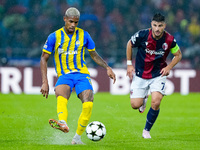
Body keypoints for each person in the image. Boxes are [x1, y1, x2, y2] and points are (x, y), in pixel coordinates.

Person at [40, 7, 116, 144]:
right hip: (64, 75)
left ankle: (77, 138)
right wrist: (44, 81)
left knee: (88, 104)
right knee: (60, 93)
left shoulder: (84, 35)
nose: (73, 25)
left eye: (76, 22)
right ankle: (62, 122)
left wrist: (107, 67)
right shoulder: (54, 36)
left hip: (82, 74)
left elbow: (94, 54)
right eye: (71, 22)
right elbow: (43, 58)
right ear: (65, 19)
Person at [126, 13, 182, 139]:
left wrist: (168, 67)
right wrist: (129, 64)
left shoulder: (169, 40)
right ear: (151, 24)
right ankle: (144, 98)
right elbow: (129, 44)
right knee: (135, 105)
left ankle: (146, 130)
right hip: (140, 74)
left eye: (160, 26)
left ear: (164, 26)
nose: (157, 28)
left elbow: (178, 55)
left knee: (156, 102)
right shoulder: (142, 35)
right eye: (155, 25)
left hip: (158, 74)